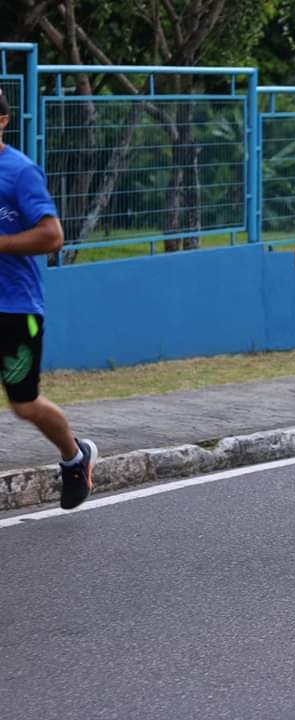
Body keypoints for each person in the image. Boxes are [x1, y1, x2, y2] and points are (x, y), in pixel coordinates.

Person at [0, 90, 97, 509]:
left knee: (24, 405)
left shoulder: (18, 172)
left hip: (15, 308)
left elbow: (52, 236)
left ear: (2, 121)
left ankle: (75, 457)